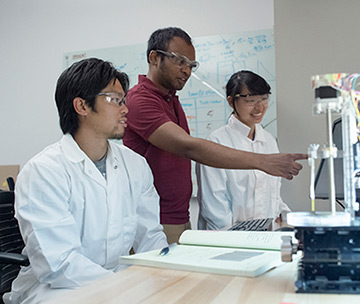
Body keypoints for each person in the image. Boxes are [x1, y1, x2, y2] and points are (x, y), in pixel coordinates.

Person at [3, 58, 167, 304]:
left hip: (117, 278)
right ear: (82, 106)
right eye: (115, 100)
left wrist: (164, 276)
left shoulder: (135, 165)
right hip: (57, 288)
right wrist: (126, 288)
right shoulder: (44, 171)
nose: (125, 109)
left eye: (124, 100)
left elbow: (150, 238)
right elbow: (58, 265)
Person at [123, 27, 307, 243]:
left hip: (179, 217)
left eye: (191, 65)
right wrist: (263, 162)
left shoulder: (171, 99)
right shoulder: (140, 100)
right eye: (180, 61)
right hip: (154, 219)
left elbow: (274, 199)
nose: (187, 71)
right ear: (154, 57)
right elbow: (189, 148)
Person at [196, 71, 291, 230]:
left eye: (264, 98)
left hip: (265, 238)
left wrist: (288, 220)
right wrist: (241, 237)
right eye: (251, 100)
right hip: (227, 241)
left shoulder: (269, 141)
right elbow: (214, 208)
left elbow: (273, 196)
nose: (260, 107)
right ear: (231, 102)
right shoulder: (216, 142)